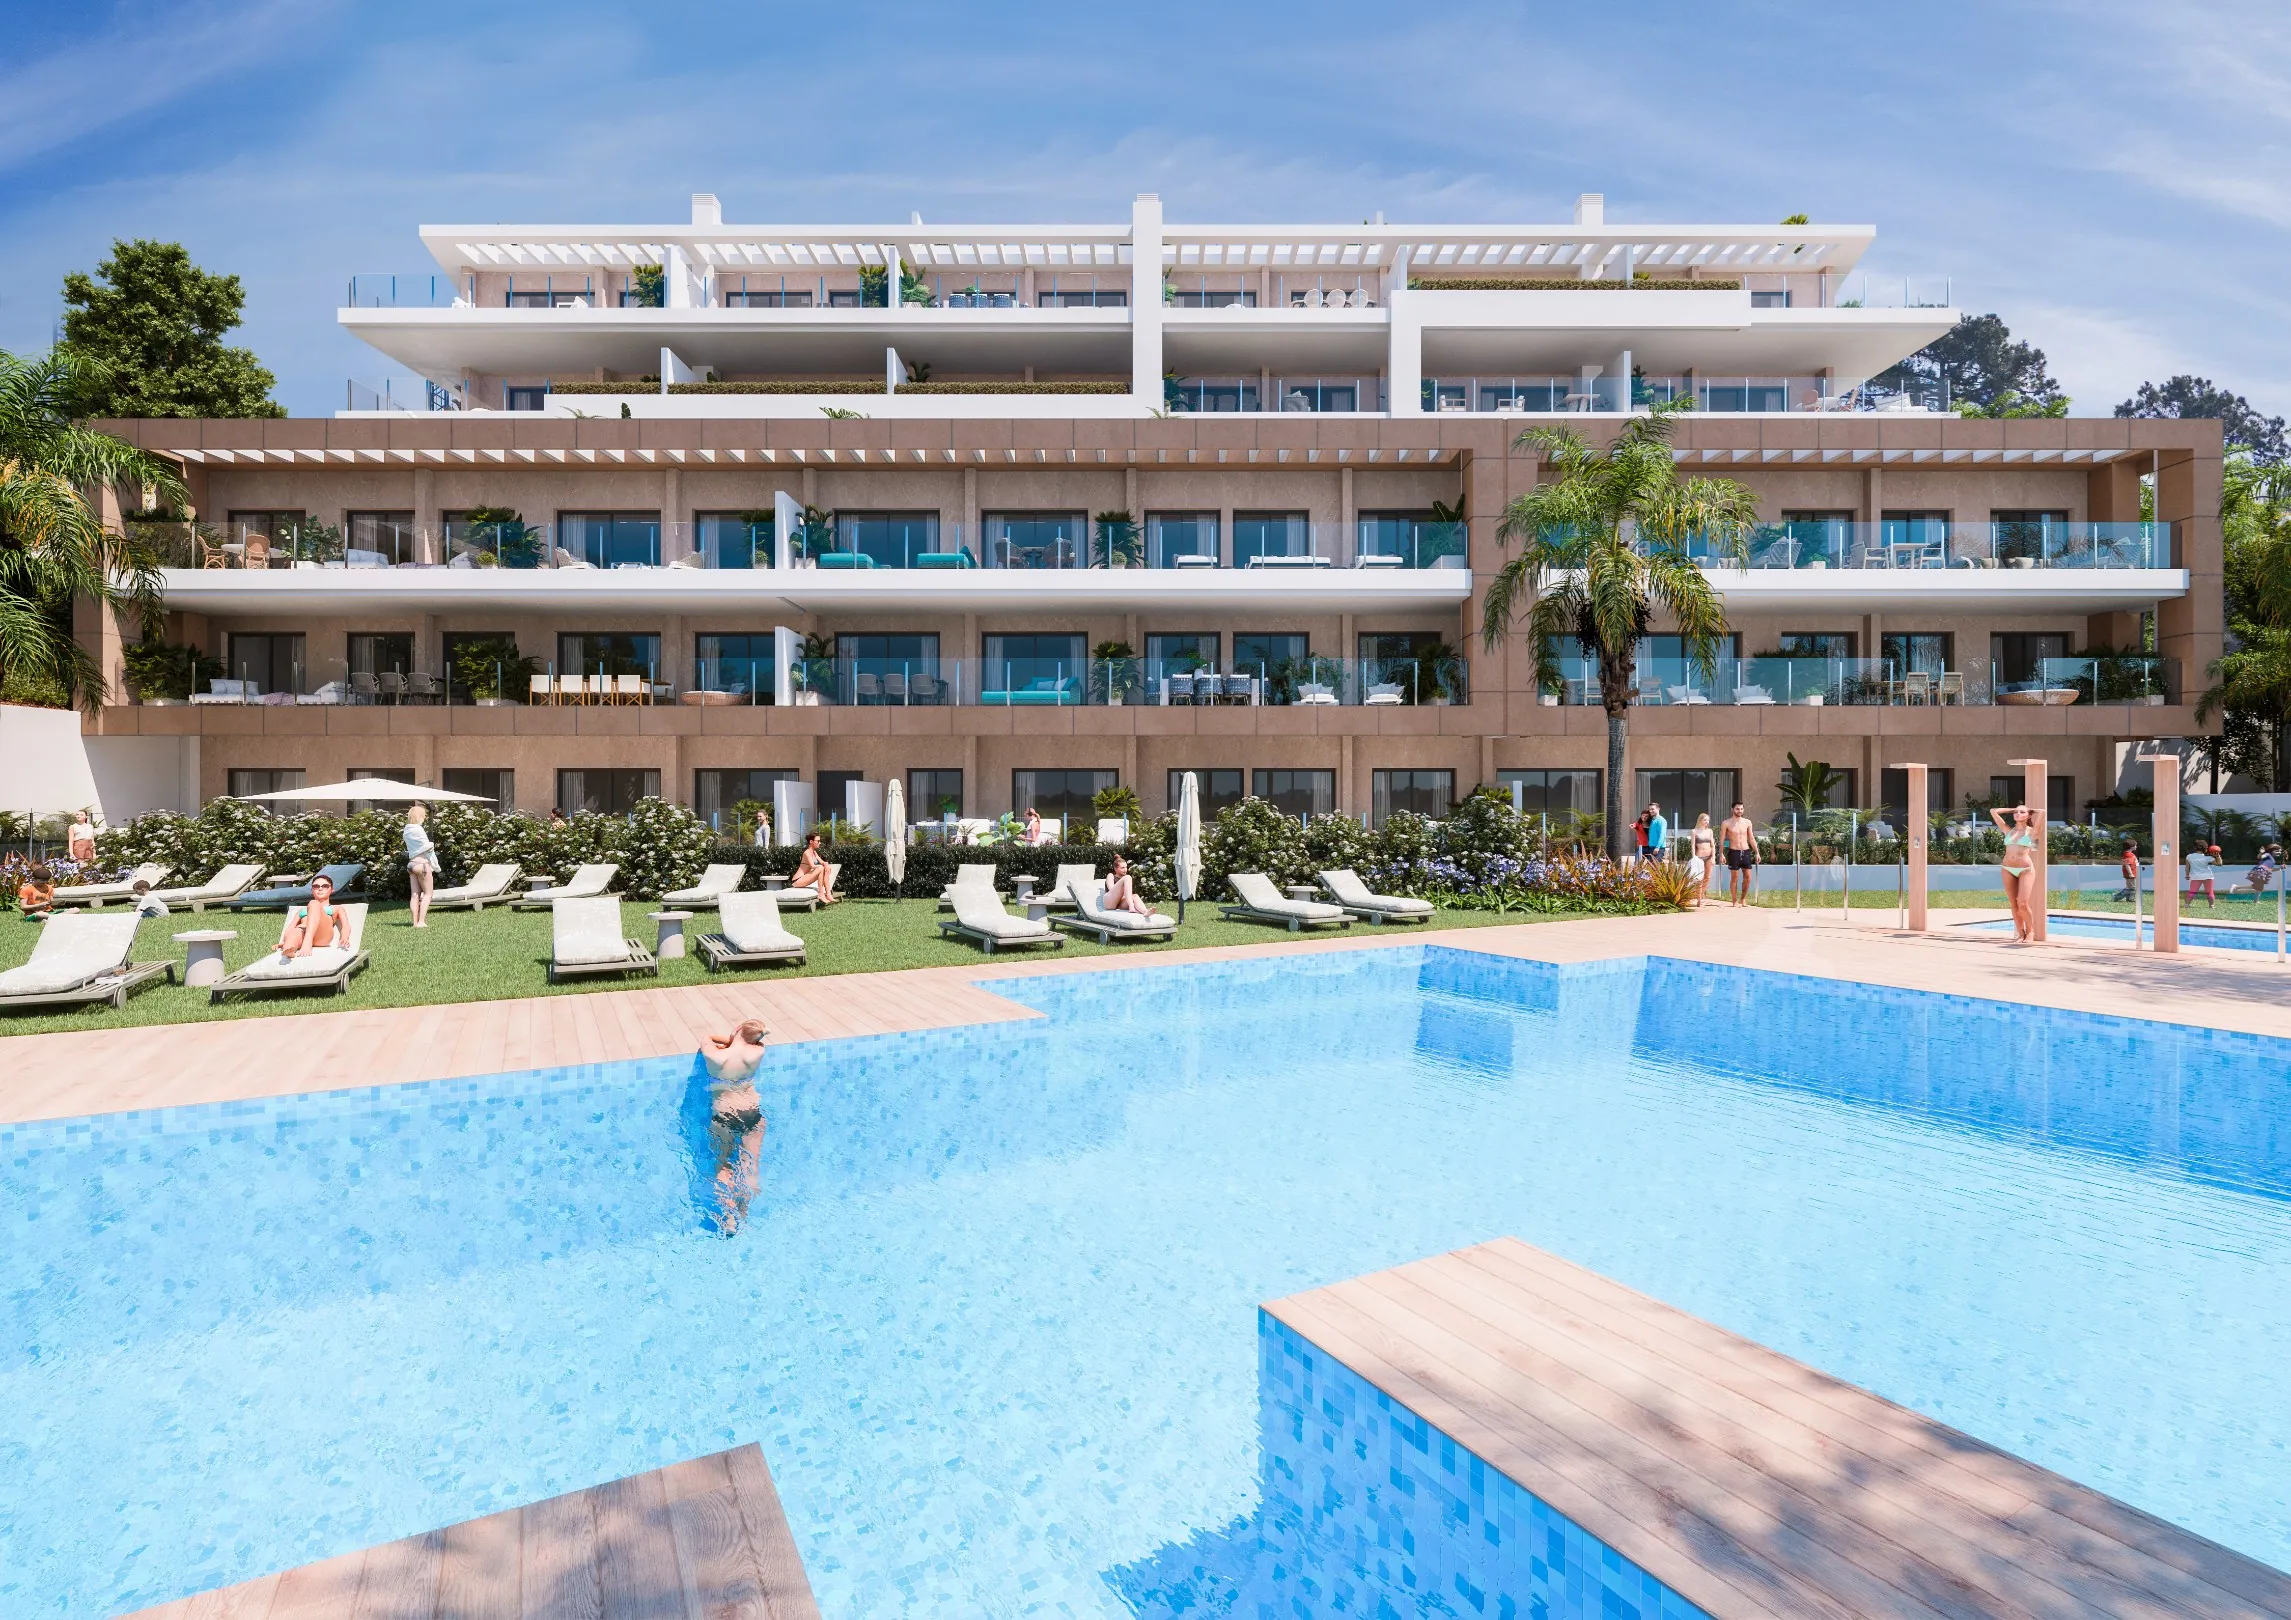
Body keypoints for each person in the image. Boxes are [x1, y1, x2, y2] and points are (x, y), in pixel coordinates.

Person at [700, 1019, 769, 1234]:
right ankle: (743, 1211)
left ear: (737, 1029)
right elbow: (753, 1040)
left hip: (725, 1116)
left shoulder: (715, 1056)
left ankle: (729, 1218)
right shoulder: (758, 1052)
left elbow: (706, 1038)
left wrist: (730, 1040)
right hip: (752, 1114)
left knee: (722, 1167)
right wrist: (739, 1039)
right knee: (750, 1167)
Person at [1991, 802, 2041, 943]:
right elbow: (1993, 811)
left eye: (2022, 812)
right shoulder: (2008, 830)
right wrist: (2014, 809)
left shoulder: (2032, 831)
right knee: (2013, 903)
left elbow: (2042, 815)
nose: (2018, 814)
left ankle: (2030, 931)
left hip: (2025, 869)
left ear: (2029, 815)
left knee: (2022, 903)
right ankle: (2020, 933)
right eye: (2016, 812)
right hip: (2007, 868)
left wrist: (2037, 811)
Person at [277, 872, 345, 959]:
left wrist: (345, 937)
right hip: (303, 934)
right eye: (316, 886)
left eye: (325, 886)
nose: (320, 888)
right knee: (294, 932)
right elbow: (290, 927)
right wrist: (285, 940)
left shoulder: (336, 908)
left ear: (332, 890)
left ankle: (307, 942)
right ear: (312, 890)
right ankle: (289, 949)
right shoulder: (302, 910)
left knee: (314, 903)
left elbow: (345, 926)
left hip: (322, 936)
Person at [403, 803, 437, 928]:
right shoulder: (418, 829)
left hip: (411, 864)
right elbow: (426, 846)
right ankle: (421, 922)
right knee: (428, 894)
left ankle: (414, 922)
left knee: (414, 894)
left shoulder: (406, 831)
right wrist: (431, 844)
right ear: (420, 816)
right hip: (421, 864)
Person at [1720, 803, 1759, 908]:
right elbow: (1722, 839)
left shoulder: (1747, 822)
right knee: (1735, 878)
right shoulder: (1726, 823)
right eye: (1737, 809)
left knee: (1748, 878)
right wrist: (1721, 854)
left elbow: (1751, 838)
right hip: (1734, 852)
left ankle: (1743, 899)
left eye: (1741, 809)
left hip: (1746, 851)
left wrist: (1757, 852)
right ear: (1732, 809)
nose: (1740, 811)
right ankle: (1734, 901)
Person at [789, 831, 838, 904]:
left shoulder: (814, 853)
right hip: (797, 880)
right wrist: (823, 866)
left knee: (824, 868)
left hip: (805, 878)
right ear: (811, 841)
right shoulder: (807, 852)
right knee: (821, 868)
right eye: (818, 841)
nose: (820, 843)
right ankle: (821, 894)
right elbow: (812, 866)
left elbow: (822, 862)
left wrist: (826, 864)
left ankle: (828, 894)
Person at [1687, 813, 1717, 907]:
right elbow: (1692, 845)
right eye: (1705, 820)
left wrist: (1713, 857)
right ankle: (1699, 900)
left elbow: (1713, 845)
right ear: (1700, 820)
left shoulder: (1710, 831)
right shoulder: (1694, 831)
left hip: (1709, 857)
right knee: (1699, 879)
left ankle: (1701, 896)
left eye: (1708, 820)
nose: (1706, 822)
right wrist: (1694, 857)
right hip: (1699, 858)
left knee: (1707, 878)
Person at [2187, 843, 2220, 908]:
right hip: (2208, 876)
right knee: (2209, 892)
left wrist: (2187, 875)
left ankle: (2186, 905)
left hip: (2195, 877)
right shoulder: (2208, 858)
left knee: (2192, 892)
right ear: (2205, 849)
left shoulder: (2189, 856)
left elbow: (2187, 867)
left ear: (2195, 848)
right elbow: (2219, 864)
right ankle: (2212, 906)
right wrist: (2217, 856)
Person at [2113, 839, 2141, 903]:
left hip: (2131, 873)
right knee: (2132, 888)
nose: (2136, 846)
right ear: (2131, 846)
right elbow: (2127, 864)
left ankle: (2130, 899)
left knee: (2130, 887)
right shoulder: (2128, 854)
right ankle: (2115, 897)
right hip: (2131, 874)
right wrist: (2130, 873)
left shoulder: (2128, 854)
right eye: (2135, 845)